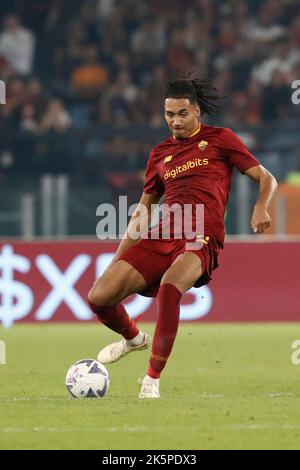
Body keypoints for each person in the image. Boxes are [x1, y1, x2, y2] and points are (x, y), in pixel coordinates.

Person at [88, 78, 278, 398]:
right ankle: (134, 339)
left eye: (182, 113)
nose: (175, 120)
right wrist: (118, 258)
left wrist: (261, 207)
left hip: (201, 235)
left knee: (170, 287)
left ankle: (151, 380)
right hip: (164, 232)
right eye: (169, 114)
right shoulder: (160, 153)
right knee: (99, 297)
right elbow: (143, 211)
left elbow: (266, 178)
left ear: (197, 111)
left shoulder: (221, 139)